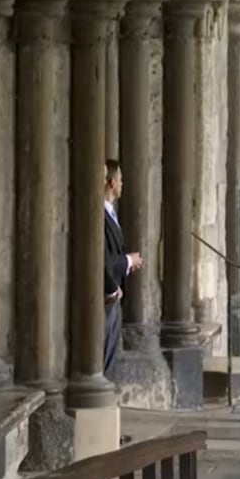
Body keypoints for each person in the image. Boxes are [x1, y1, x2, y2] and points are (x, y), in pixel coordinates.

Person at [103, 159, 144, 379]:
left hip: (114, 290)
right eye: (119, 179)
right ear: (110, 182)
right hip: (107, 294)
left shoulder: (109, 213)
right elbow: (101, 258)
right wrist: (127, 262)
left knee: (110, 350)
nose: (122, 183)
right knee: (104, 351)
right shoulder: (98, 215)